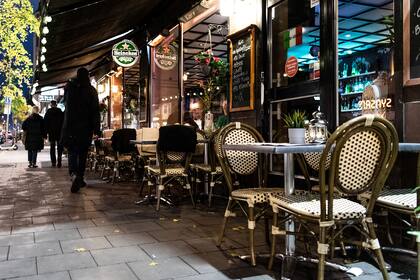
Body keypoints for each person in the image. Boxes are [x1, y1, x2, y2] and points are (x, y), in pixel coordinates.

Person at [61, 68, 100, 193]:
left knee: (72, 151)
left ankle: (73, 174)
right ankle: (80, 176)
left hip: (71, 127)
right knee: (83, 153)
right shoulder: (91, 90)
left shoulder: (70, 89)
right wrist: (96, 128)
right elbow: (95, 111)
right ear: (87, 76)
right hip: (85, 128)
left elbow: (66, 107)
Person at [44, 100, 64, 167]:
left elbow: (45, 123)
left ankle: (53, 162)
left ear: (50, 105)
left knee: (52, 147)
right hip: (59, 132)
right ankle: (59, 160)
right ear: (56, 104)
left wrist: (45, 133)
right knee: (59, 146)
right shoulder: (60, 112)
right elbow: (63, 121)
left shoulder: (48, 112)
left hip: (51, 132)